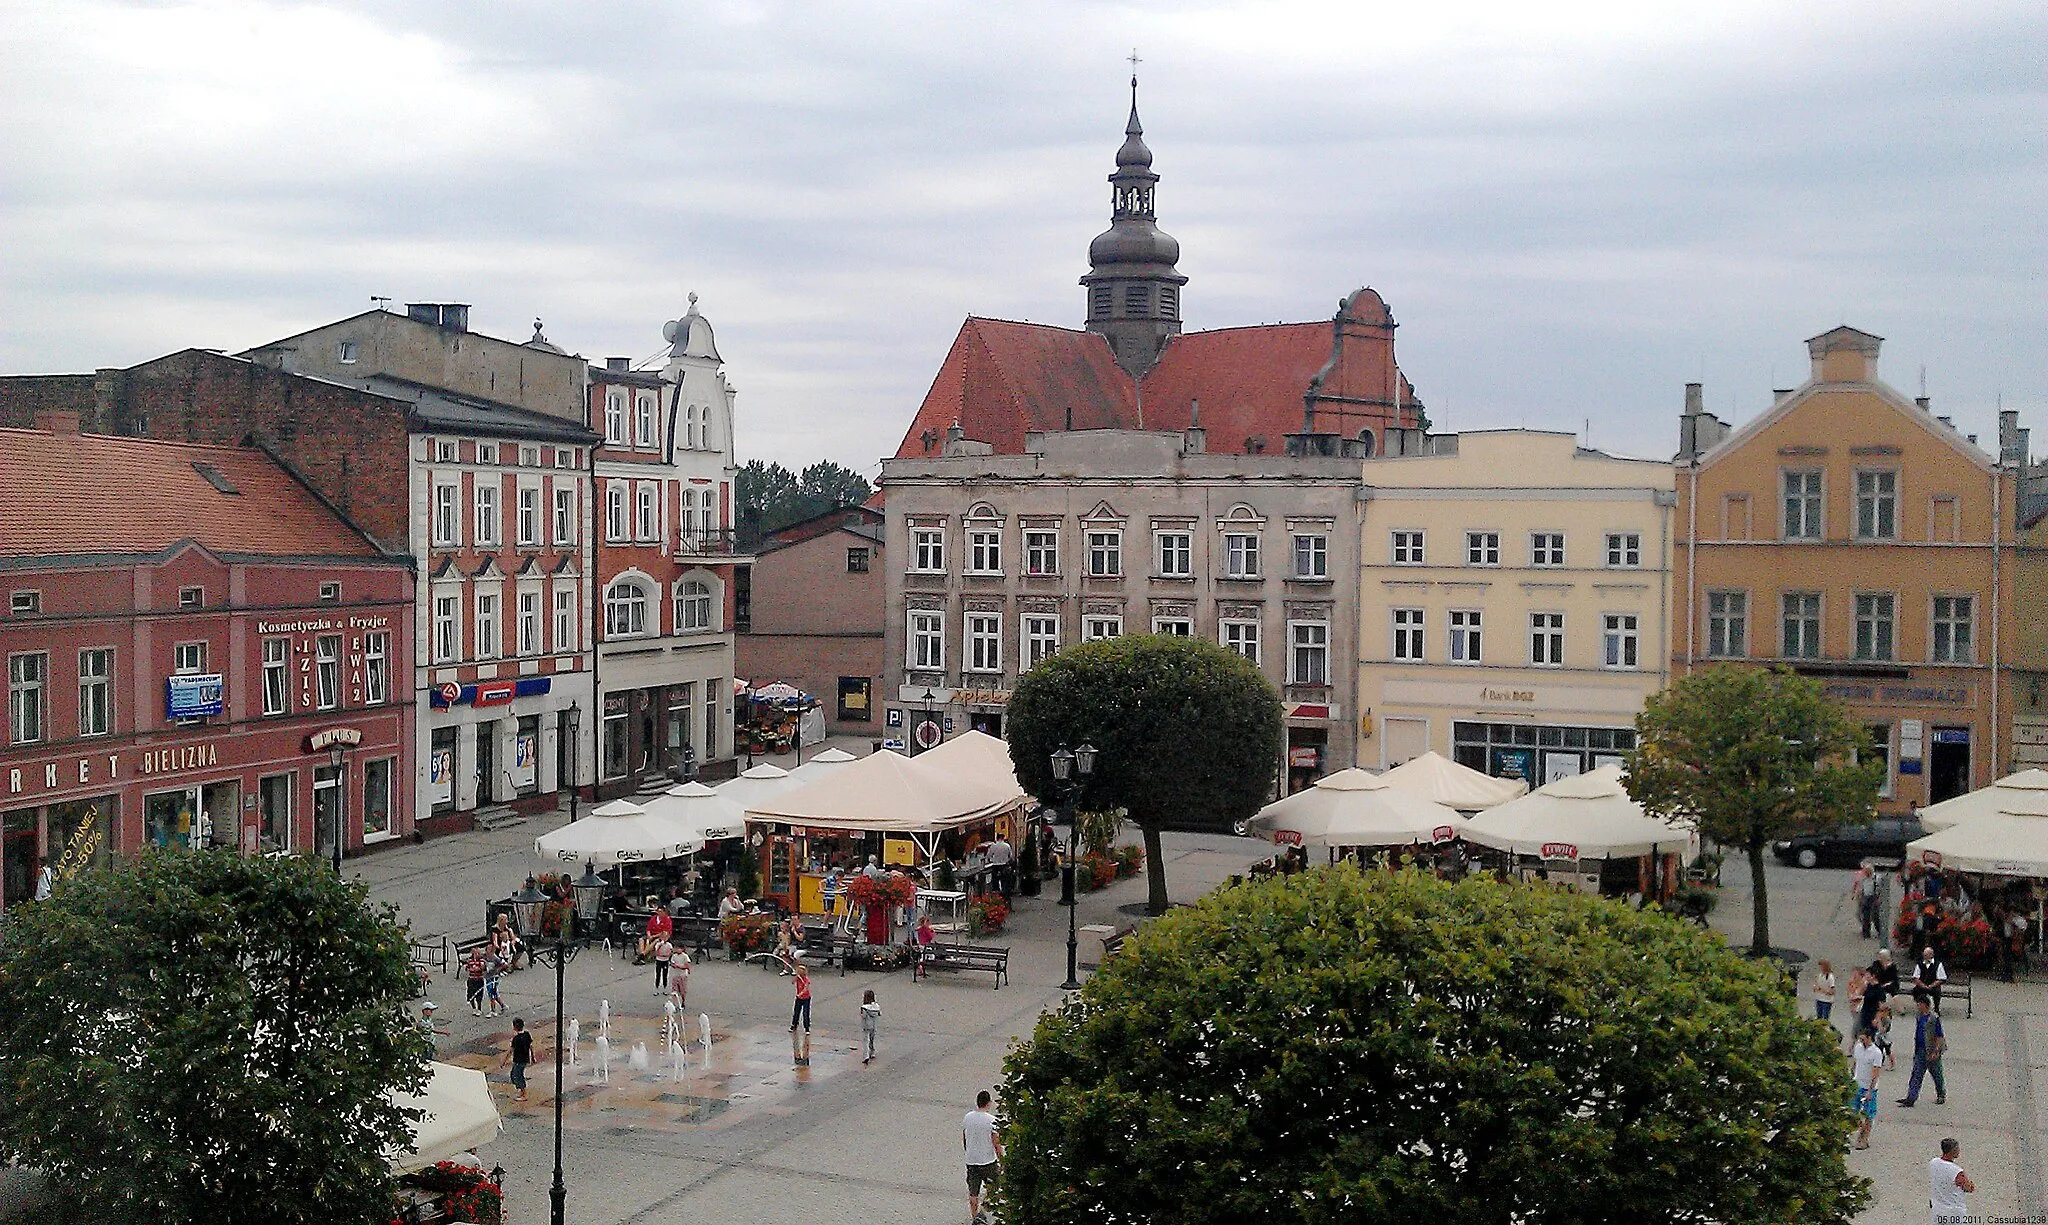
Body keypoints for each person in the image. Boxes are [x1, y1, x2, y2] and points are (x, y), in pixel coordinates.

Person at [1896, 992, 1947, 1107]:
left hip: (1931, 1050)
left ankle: (1941, 1094)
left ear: (1925, 1005)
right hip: (1920, 1050)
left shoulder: (1933, 1018)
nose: (1918, 1006)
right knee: (1916, 1074)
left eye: (1919, 1004)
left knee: (1936, 1074)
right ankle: (1911, 1097)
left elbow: (1939, 1036)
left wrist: (1936, 1051)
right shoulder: (1919, 1016)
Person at [963, 1089, 1003, 1225]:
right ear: (989, 1103)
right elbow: (995, 1142)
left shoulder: (968, 1117)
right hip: (987, 1161)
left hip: (971, 1160)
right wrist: (1001, 1158)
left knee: (973, 1192)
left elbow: (965, 1136)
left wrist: (967, 1151)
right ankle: (983, 1211)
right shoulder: (992, 1120)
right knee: (994, 1186)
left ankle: (975, 1218)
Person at [1850, 1028, 1883, 1150]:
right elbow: (1855, 1063)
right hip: (1856, 1084)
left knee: (1868, 1114)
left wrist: (1870, 1090)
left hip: (1868, 1088)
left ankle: (1864, 1138)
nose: (1861, 1041)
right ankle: (1860, 1132)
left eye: (1863, 1039)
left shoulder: (1876, 1053)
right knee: (1853, 1112)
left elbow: (1876, 1073)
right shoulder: (1858, 1047)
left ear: (1870, 1038)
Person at [1929, 1137, 1974, 1225]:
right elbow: (1968, 1188)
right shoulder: (1956, 1171)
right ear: (1953, 1151)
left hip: (1938, 1209)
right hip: (1954, 1212)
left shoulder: (1934, 1162)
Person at [1859, 948, 1898, 1037]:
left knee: (1872, 1034)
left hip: (1885, 987)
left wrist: (1877, 1018)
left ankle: (1900, 1008)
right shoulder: (1876, 965)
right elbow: (1862, 993)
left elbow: (1894, 979)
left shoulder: (1891, 966)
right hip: (1866, 1011)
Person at [1848, 863, 1881, 939]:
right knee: (1865, 916)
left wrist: (1879, 898)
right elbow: (1860, 887)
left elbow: (1881, 889)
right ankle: (1866, 933)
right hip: (1865, 897)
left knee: (1875, 916)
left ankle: (1880, 931)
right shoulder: (1863, 879)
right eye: (1865, 872)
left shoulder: (1877, 878)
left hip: (1874, 897)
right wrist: (1857, 895)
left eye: (1868, 872)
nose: (1866, 874)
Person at [506, 1017, 533, 1103]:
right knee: (514, 1075)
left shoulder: (516, 1039)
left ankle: (524, 1094)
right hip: (524, 1059)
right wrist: (533, 1056)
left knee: (518, 1076)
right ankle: (521, 1091)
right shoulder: (527, 1034)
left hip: (519, 1060)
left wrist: (503, 1061)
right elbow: (531, 1046)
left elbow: (511, 1051)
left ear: (514, 1027)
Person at [789, 960, 812, 1033]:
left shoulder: (806, 979)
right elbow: (792, 982)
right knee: (796, 1012)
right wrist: (796, 976)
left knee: (805, 1013)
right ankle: (794, 1025)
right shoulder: (798, 978)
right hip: (798, 998)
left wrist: (800, 994)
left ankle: (807, 1027)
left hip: (806, 998)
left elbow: (806, 989)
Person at [463, 948, 487, 1017]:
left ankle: (479, 1009)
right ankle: (474, 1008)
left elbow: (483, 969)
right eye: (475, 953)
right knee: (470, 994)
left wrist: (480, 968)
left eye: (478, 953)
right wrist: (471, 968)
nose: (476, 955)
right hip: (471, 979)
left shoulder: (482, 961)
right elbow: (467, 968)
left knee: (479, 995)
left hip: (479, 979)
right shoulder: (470, 961)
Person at [859, 989, 881, 1064]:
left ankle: (866, 1055)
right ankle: (873, 1052)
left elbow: (863, 1016)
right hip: (874, 1025)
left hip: (866, 1025)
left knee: (865, 1040)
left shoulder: (864, 1007)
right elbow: (879, 1014)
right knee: (872, 1039)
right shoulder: (876, 1006)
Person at [914, 913, 936, 981]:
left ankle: (920, 964)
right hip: (926, 945)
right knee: (931, 956)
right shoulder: (926, 929)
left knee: (923, 955)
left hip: (920, 945)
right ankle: (921, 965)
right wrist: (933, 931)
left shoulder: (919, 929)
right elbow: (930, 937)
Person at [670, 945, 691, 1009]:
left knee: (682, 990)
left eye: (679, 948)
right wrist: (674, 965)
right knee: (674, 990)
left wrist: (679, 966)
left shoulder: (685, 956)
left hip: (682, 975)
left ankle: (683, 1002)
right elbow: (672, 963)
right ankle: (675, 1004)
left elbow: (687, 966)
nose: (678, 950)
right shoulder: (674, 956)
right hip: (675, 975)